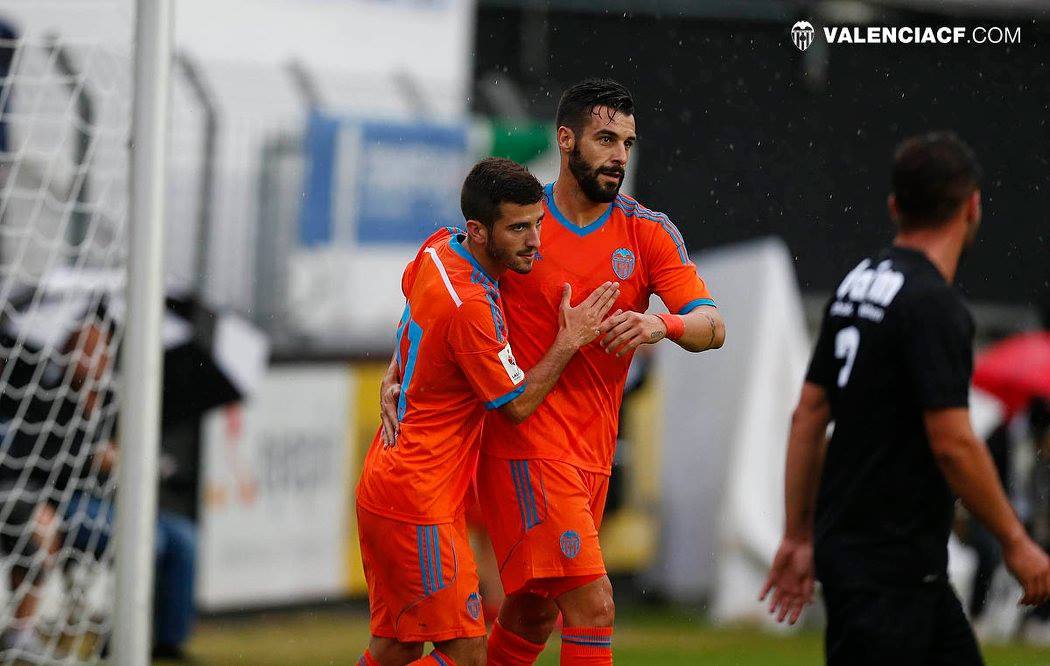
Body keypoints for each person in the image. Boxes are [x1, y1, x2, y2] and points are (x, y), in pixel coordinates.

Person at [381, 79, 725, 665]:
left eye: (628, 142)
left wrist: (658, 324)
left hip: (592, 453)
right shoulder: (519, 220)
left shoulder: (646, 233)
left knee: (531, 612)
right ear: (566, 140)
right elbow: (438, 279)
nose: (618, 155)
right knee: (594, 607)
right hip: (526, 444)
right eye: (605, 138)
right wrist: (402, 363)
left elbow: (713, 325)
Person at [761, 131, 1050, 665]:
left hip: (889, 569)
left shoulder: (857, 283)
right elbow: (953, 444)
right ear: (972, 207)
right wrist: (1016, 540)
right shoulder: (935, 306)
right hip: (889, 574)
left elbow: (808, 414)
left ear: (896, 206)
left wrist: (798, 535)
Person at [358, 157, 620, 666]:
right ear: (478, 231)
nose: (535, 242)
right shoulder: (471, 306)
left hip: (390, 486)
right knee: (469, 656)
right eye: (518, 228)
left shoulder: (439, 247)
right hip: (419, 500)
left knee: (397, 647)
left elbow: (412, 294)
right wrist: (569, 341)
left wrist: (398, 366)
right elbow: (516, 405)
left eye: (538, 224)